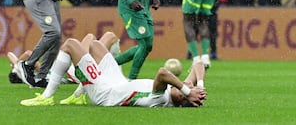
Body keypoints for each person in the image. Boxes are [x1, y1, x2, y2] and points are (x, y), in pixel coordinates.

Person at [20, 35, 206, 107]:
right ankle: (78, 93)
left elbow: (162, 73)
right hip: (118, 81)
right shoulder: (180, 93)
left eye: (183, 91)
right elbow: (198, 65)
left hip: (104, 92)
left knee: (70, 44)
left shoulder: (162, 99)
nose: (186, 85)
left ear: (181, 98)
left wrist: (188, 91)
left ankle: (47, 96)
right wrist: (199, 86)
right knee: (94, 45)